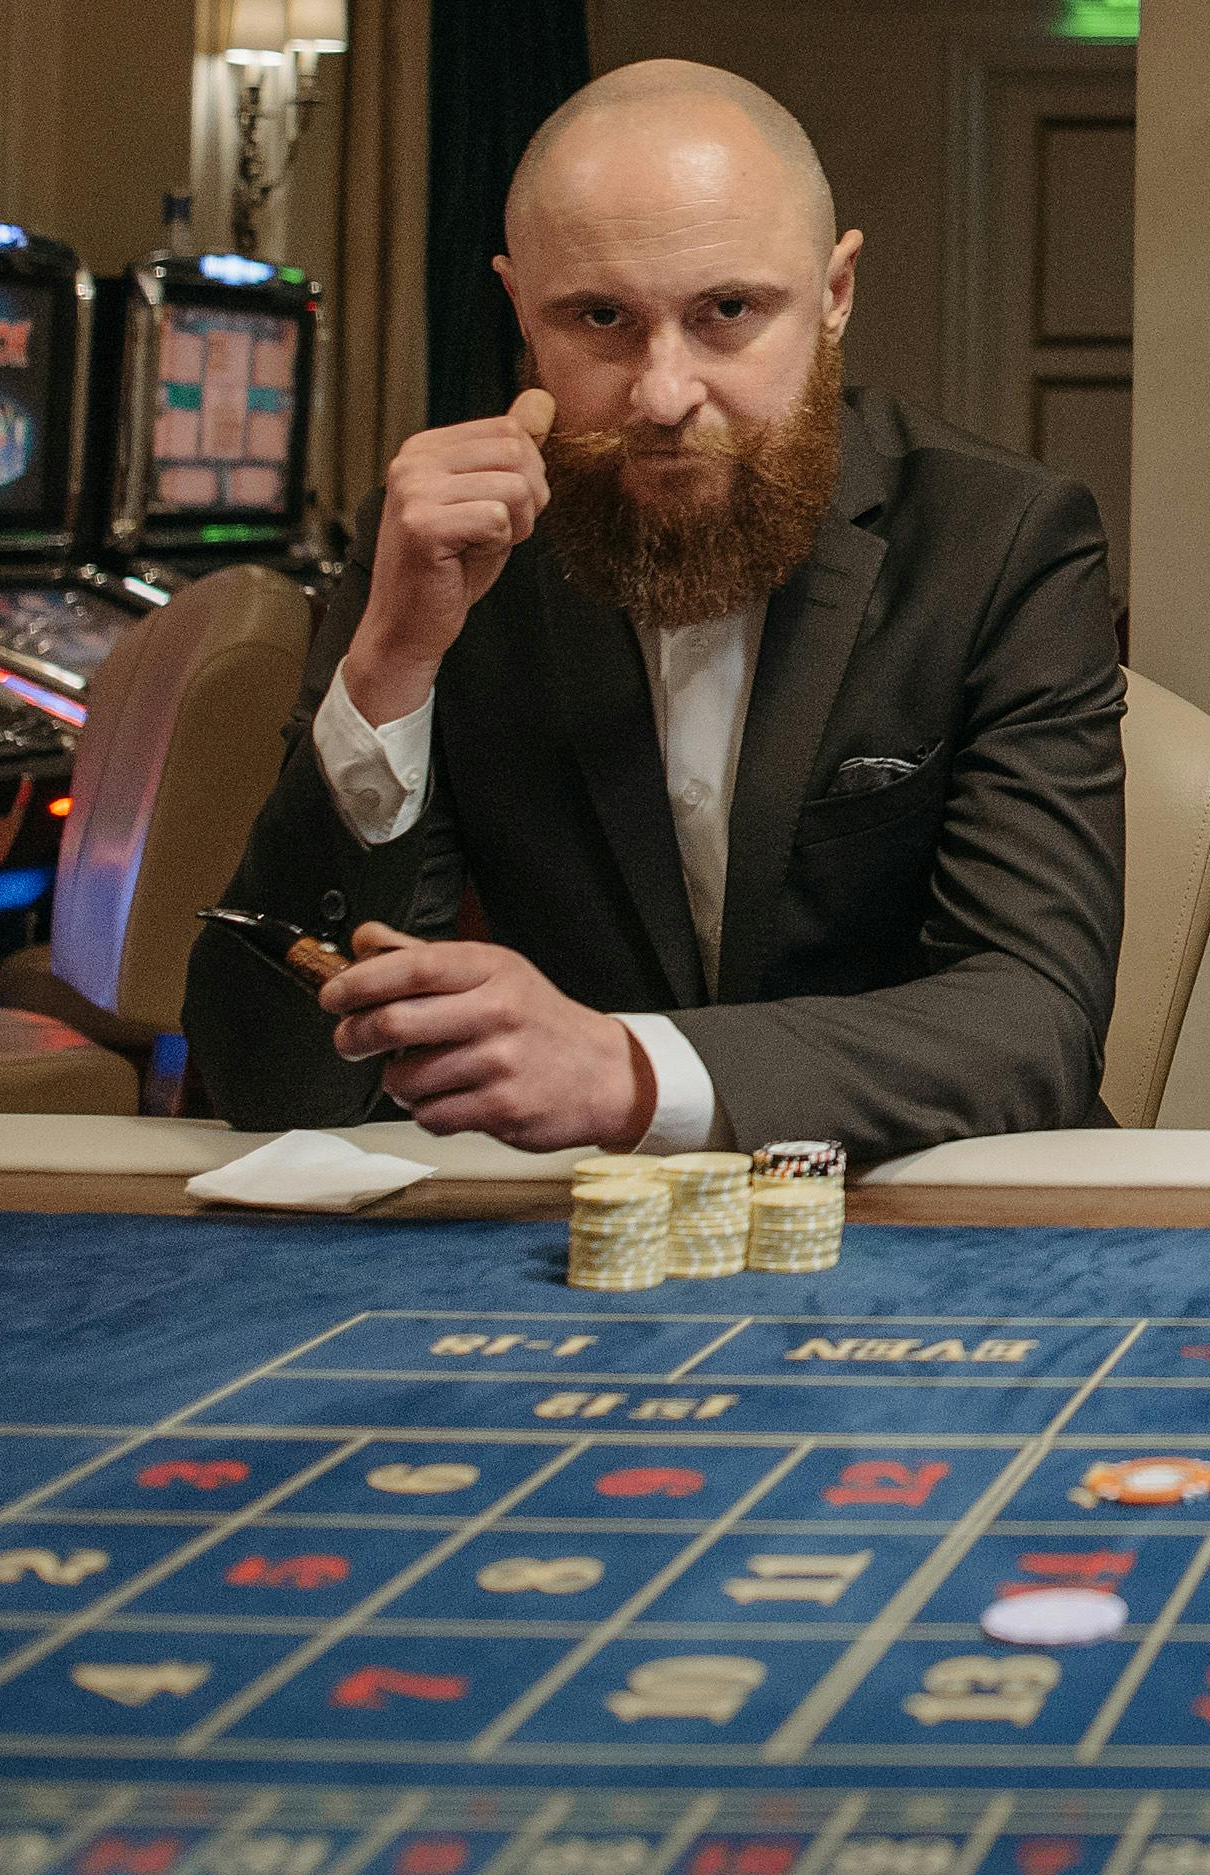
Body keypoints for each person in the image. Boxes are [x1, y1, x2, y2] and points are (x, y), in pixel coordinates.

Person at [189, 59, 1125, 1162]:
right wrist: (390, 664)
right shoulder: (446, 550)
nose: (663, 394)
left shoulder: (1000, 543)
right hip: (567, 1236)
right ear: (520, 316)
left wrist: (630, 1072)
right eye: (601, 318)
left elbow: (1032, 1020)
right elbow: (268, 1079)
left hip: (926, 1206)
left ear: (834, 296)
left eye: (727, 311)